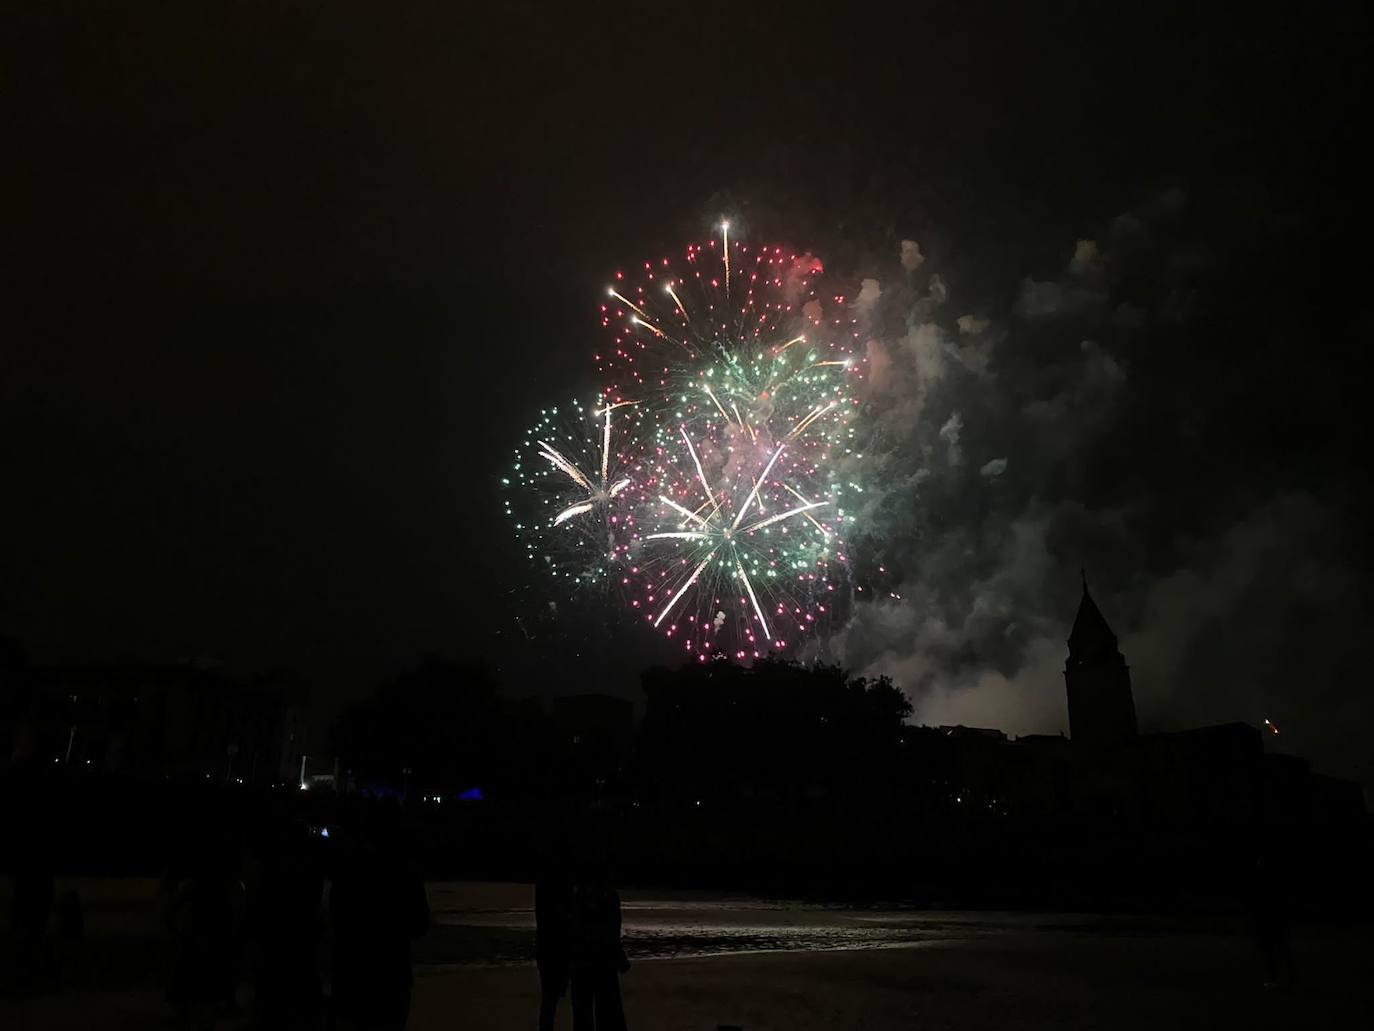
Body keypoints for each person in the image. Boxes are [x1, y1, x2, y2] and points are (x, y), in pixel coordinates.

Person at [329, 802, 429, 1031]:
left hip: (353, 975)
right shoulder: (405, 872)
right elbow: (420, 924)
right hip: (391, 976)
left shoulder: (349, 868)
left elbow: (337, 916)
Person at [251, 820, 324, 1029]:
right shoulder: (310, 869)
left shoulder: (271, 869)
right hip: (300, 942)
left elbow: (260, 906)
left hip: (277, 944)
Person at [569, 853, 629, 1031]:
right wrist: (619, 958)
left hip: (584, 962)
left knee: (585, 1015)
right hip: (602, 962)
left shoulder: (579, 895)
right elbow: (611, 933)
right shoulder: (608, 896)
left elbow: (575, 928)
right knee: (607, 1013)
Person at [536, 859, 574, 1031]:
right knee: (552, 996)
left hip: (548, 946)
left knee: (550, 998)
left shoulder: (544, 886)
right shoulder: (556, 888)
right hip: (556, 947)